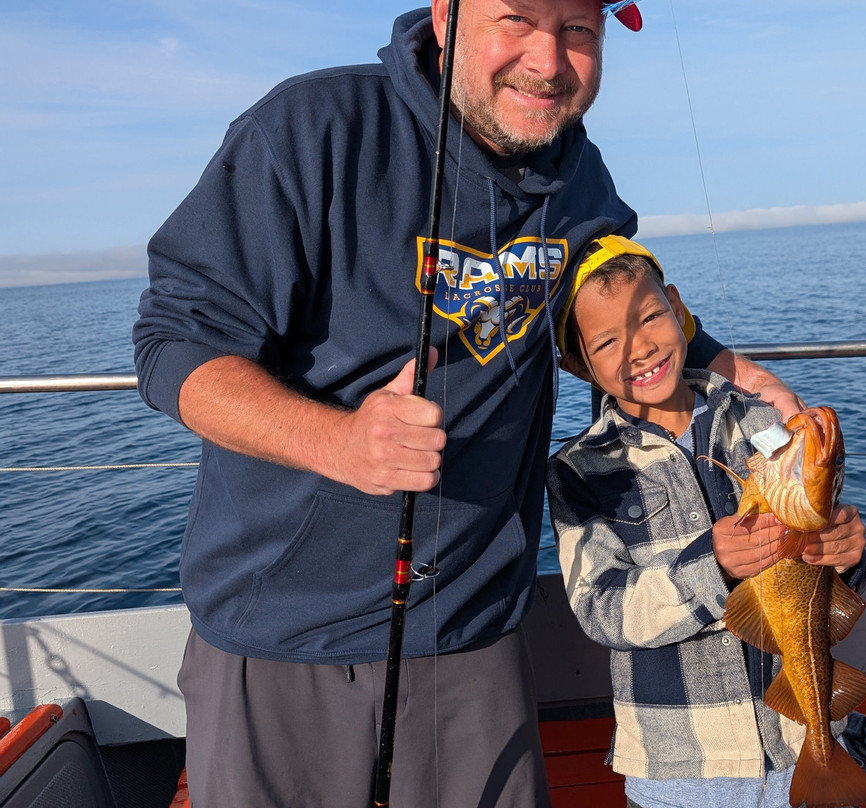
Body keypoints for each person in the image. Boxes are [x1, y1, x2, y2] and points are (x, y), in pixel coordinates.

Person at [133, 1, 812, 805]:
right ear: (446, 16)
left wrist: (733, 370)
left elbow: (617, 297)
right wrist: (337, 443)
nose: (548, 61)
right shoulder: (311, 128)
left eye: (578, 30)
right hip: (283, 639)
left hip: (476, 631)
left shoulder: (578, 170)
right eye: (517, 19)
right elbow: (174, 345)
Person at [546, 235, 866, 808]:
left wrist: (847, 555)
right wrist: (711, 569)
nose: (639, 348)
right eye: (606, 341)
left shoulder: (763, 423)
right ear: (578, 364)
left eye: (650, 317)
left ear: (677, 308)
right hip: (680, 772)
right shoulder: (579, 471)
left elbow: (825, 576)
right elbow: (602, 610)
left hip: (797, 744)